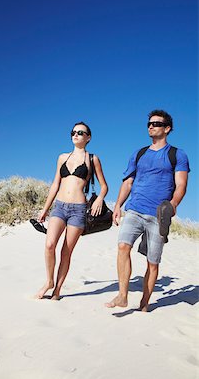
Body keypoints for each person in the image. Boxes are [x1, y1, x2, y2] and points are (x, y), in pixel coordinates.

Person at [106, 110, 190, 312]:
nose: (151, 126)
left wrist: (173, 204)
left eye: (156, 123)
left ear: (167, 128)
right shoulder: (139, 153)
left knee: (152, 262)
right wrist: (117, 205)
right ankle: (123, 296)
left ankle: (145, 302)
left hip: (158, 215)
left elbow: (181, 185)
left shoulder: (177, 155)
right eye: (149, 124)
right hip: (134, 209)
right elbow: (128, 182)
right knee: (123, 247)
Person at [36, 122, 108, 300]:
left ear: (88, 137)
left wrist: (99, 199)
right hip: (59, 206)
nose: (76, 135)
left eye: (80, 132)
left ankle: (57, 290)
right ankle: (49, 281)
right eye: (73, 132)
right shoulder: (62, 157)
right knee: (49, 245)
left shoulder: (93, 159)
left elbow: (104, 186)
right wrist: (45, 209)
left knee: (66, 252)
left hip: (78, 210)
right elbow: (55, 184)